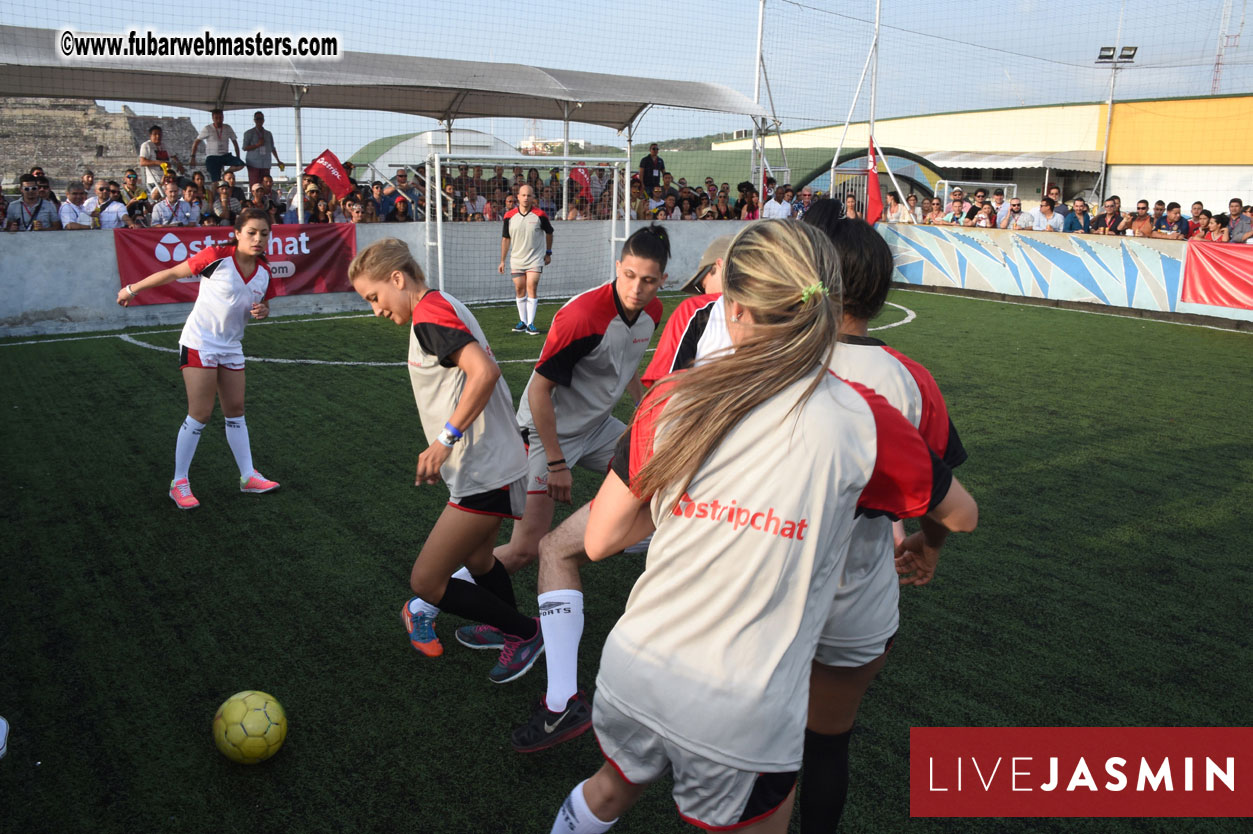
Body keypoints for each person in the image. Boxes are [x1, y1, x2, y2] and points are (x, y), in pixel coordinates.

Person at [548, 220, 977, 834]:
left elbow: (599, 540)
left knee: (610, 789)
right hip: (741, 706)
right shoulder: (862, 418)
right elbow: (961, 515)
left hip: (635, 667)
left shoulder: (672, 397)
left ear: (734, 307)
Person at [796, 206, 971, 832]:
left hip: (760, 586)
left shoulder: (762, 363)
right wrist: (929, 545)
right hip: (855, 595)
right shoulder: (909, 380)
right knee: (826, 744)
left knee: (755, 742)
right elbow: (950, 504)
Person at [347, 238, 546, 681]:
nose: (376, 310)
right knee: (478, 563)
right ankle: (508, 631)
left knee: (426, 582)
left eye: (375, 297)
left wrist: (444, 440)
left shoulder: (429, 314)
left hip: (485, 466)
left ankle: (526, 632)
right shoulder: (440, 303)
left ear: (397, 279)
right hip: (491, 460)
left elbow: (484, 371)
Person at [115, 208, 281, 509]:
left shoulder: (264, 271)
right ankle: (179, 482)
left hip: (231, 347)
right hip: (199, 343)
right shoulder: (216, 256)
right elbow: (173, 273)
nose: (258, 239)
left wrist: (264, 311)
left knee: (236, 410)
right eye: (252, 232)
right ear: (237, 233)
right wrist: (132, 289)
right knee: (201, 413)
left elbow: (263, 304)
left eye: (264, 233)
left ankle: (248, 476)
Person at [499, 184, 554, 336]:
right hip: (516, 259)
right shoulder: (509, 216)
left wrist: (548, 252)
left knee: (532, 285)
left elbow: (549, 233)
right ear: (518, 197)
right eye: (523, 195)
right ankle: (522, 321)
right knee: (519, 288)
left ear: (533, 198)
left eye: (529, 195)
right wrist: (502, 260)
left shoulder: (540, 215)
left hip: (535, 259)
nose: (526, 198)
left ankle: (531, 323)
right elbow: (505, 238)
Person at [190, 109, 246, 182]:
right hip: (212, 157)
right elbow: (196, 142)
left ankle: (225, 173)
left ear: (223, 117)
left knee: (240, 164)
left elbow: (235, 143)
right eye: (216, 118)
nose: (219, 120)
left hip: (225, 156)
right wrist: (193, 157)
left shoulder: (227, 127)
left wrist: (238, 157)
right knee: (216, 181)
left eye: (220, 117)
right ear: (213, 118)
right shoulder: (207, 128)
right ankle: (216, 189)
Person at [242, 111, 286, 187]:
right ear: (254, 120)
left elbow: (272, 148)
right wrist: (257, 145)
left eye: (261, 119)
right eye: (257, 119)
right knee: (255, 185)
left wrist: (278, 160)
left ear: (263, 120)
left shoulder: (268, 134)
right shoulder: (249, 133)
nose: (259, 120)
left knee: (266, 184)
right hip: (253, 163)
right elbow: (244, 148)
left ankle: (266, 198)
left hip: (266, 163)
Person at [138, 125, 186, 192]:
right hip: (155, 181)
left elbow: (174, 156)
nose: (158, 136)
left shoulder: (165, 145)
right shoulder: (146, 145)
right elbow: (142, 162)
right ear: (150, 135)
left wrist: (179, 164)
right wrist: (158, 162)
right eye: (155, 134)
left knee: (186, 184)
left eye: (159, 134)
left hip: (169, 180)